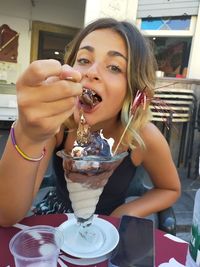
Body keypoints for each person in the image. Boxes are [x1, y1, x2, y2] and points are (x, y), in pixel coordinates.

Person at [0, 18, 181, 227]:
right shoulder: (58, 126)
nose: (91, 72)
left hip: (108, 226)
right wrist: (28, 134)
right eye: (84, 60)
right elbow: (5, 215)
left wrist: (129, 210)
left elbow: (170, 189)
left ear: (134, 88)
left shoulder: (142, 136)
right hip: (57, 220)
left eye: (114, 67)